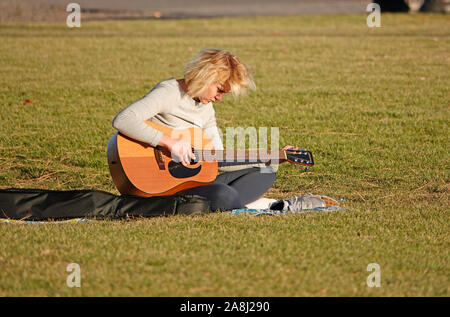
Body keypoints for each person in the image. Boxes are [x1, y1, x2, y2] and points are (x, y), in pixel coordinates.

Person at [112, 48, 296, 211]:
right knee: (224, 194)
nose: (220, 98)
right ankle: (229, 204)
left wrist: (273, 157)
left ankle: (221, 204)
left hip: (189, 182)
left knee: (266, 173)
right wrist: (168, 142)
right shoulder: (169, 92)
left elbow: (218, 157)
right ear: (205, 77)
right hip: (156, 183)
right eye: (219, 90)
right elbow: (124, 119)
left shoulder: (206, 109)